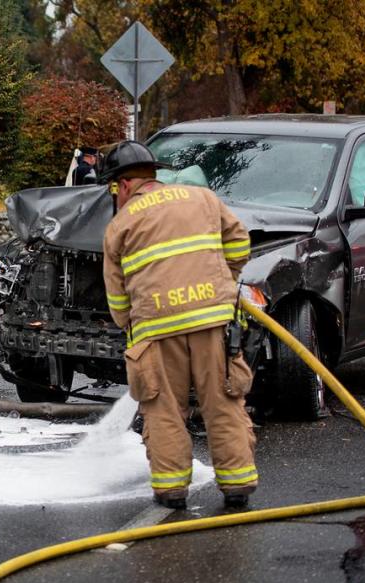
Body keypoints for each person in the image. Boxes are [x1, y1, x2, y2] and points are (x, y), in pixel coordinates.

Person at [100, 140, 257, 510]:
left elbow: (117, 295)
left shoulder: (119, 225)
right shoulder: (201, 199)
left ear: (124, 185)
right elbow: (238, 243)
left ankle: (171, 492)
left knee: (164, 409)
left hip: (156, 329)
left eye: (112, 189)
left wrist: (131, 327)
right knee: (223, 402)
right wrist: (220, 284)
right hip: (213, 322)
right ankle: (237, 486)